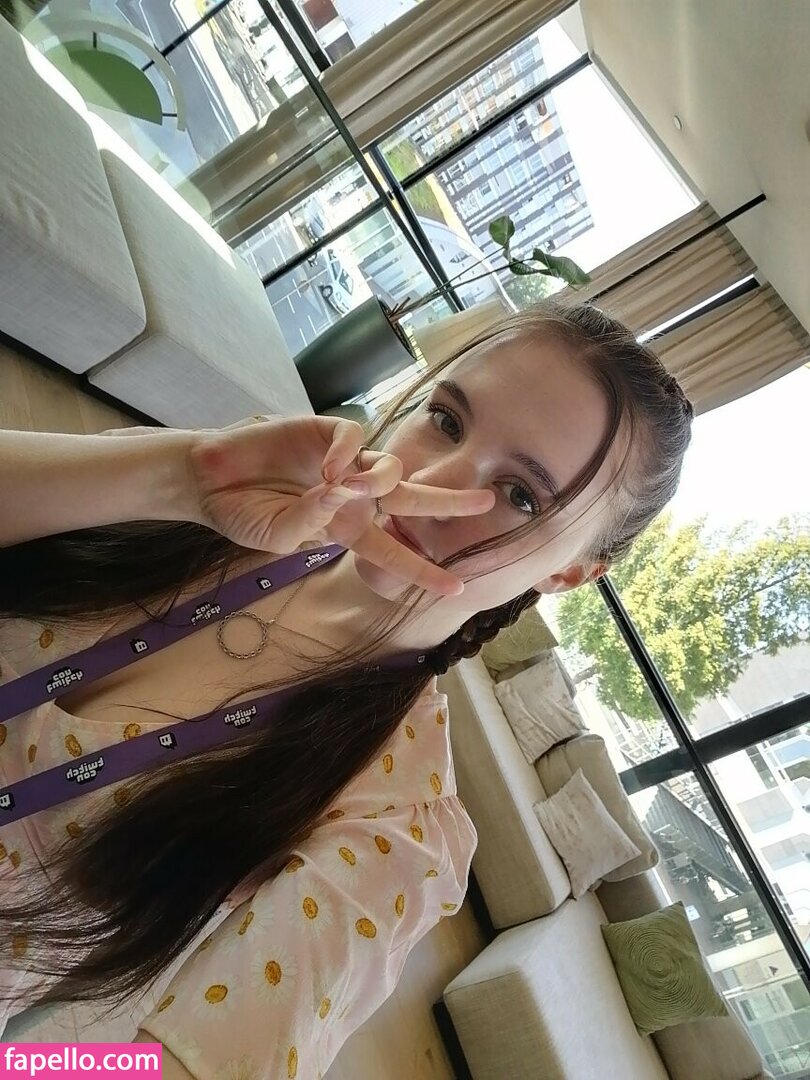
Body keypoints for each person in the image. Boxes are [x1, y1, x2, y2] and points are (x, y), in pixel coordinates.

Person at [0, 297, 694, 1077]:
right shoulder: (235, 503)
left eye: (521, 495)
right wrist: (183, 476)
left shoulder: (395, 828)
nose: (431, 479)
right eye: (447, 420)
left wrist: (22, 1069)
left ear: (568, 573)